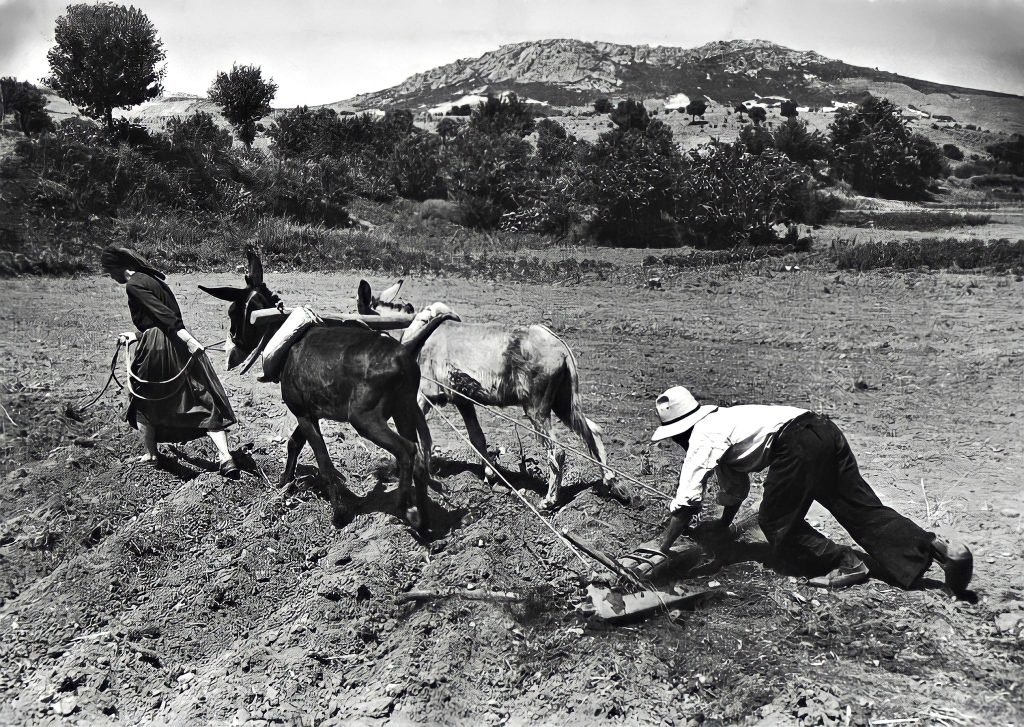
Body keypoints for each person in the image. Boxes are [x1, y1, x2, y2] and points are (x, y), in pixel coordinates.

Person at [641, 385, 972, 594]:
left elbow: (686, 501)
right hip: (823, 430)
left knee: (773, 521)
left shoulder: (701, 437)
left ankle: (847, 560)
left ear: (680, 432)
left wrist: (662, 547)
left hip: (796, 443)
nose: (677, 443)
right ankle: (933, 548)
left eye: (674, 438)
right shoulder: (722, 422)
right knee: (860, 509)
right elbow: (735, 486)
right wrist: (724, 525)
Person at [100, 245, 241, 479]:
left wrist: (189, 340)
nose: (111, 277)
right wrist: (136, 335)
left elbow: (165, 317)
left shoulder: (134, 285)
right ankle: (226, 457)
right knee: (199, 397)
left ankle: (152, 455)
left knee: (143, 400)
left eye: (109, 272)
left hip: (159, 346)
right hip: (175, 342)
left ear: (118, 267)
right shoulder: (152, 280)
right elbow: (161, 319)